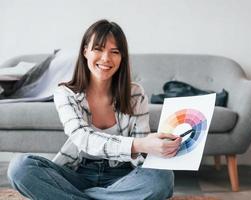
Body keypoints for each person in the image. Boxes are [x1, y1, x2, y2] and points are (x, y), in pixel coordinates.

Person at [7, 19, 182, 200]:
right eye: (98, 49)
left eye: (114, 52)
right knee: (20, 167)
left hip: (123, 177)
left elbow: (140, 153)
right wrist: (140, 144)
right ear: (85, 51)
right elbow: (82, 137)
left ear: (122, 58)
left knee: (162, 178)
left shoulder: (135, 93)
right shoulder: (65, 93)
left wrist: (156, 147)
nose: (106, 58)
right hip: (78, 174)